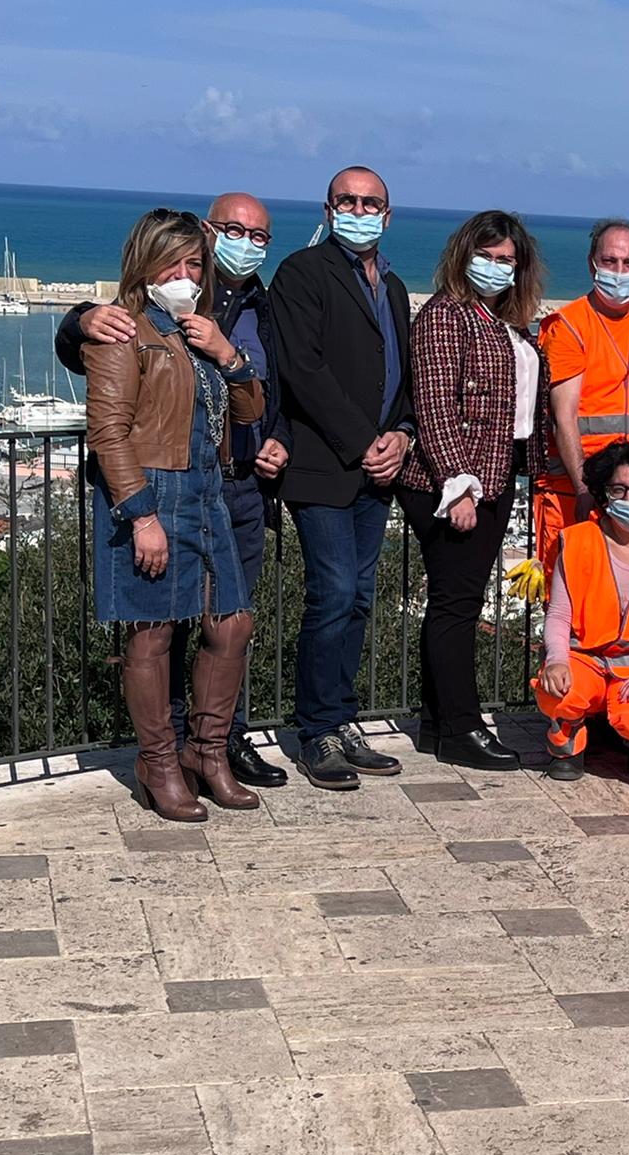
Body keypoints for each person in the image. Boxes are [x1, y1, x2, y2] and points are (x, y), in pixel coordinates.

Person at [56, 192, 291, 790]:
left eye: (193, 264)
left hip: (208, 493)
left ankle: (208, 752)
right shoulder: (120, 332)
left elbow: (250, 410)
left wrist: (228, 355)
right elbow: (107, 434)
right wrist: (140, 516)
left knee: (231, 625)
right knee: (153, 635)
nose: (184, 277)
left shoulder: (197, 331)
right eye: (171, 265)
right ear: (144, 266)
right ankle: (159, 760)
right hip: (152, 493)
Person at [271, 165, 414, 790]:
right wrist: (364, 443)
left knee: (357, 597)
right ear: (328, 208)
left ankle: (342, 716)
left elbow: (403, 374)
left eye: (371, 202)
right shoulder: (302, 274)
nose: (359, 210)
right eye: (347, 201)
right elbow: (303, 370)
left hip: (376, 472)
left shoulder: (397, 286)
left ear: (388, 214)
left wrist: (402, 436)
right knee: (330, 593)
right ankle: (317, 730)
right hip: (324, 468)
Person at [395, 210, 551, 770]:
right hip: (452, 481)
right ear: (463, 256)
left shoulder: (500, 320)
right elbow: (435, 406)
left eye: (507, 259)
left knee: (453, 600)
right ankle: (462, 728)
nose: (496, 266)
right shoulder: (445, 316)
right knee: (457, 606)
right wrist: (457, 487)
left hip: (494, 474)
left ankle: (438, 724)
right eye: (486, 256)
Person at [534, 219, 629, 570]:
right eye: (609, 262)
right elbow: (564, 419)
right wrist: (585, 489)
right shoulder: (569, 325)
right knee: (572, 599)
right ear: (592, 264)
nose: (619, 271)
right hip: (576, 491)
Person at [536, 444, 629, 783]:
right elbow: (559, 613)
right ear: (605, 494)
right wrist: (558, 659)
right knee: (556, 689)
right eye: (618, 489)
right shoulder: (577, 540)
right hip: (585, 656)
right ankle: (566, 742)